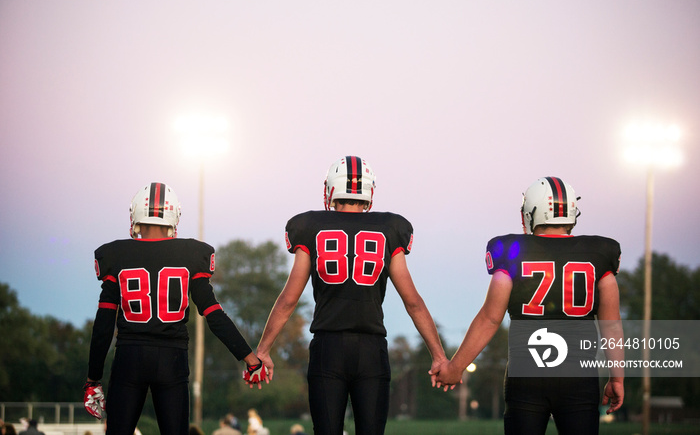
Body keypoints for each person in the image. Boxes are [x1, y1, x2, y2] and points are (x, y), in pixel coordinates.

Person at [255, 156, 449, 434]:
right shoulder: (390, 228)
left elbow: (288, 299)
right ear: (368, 192)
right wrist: (439, 355)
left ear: (331, 189)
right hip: (371, 349)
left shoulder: (310, 226)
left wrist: (263, 350)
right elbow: (413, 302)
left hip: (327, 347)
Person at [432, 176, 625, 435]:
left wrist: (455, 368)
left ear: (532, 213)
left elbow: (490, 319)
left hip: (527, 375)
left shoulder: (512, 251)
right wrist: (617, 378)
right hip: (578, 377)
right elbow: (611, 326)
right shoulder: (600, 254)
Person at [83, 182, 265, 435]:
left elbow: (103, 325)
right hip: (172, 358)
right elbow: (213, 314)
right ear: (173, 216)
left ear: (135, 214)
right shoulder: (190, 253)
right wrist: (249, 358)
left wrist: (93, 379)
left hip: (130, 357)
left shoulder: (116, 254)